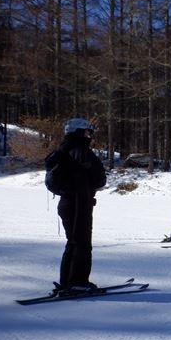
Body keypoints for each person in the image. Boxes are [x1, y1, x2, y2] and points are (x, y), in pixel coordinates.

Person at [55, 118, 107, 293]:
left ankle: (68, 282)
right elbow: (99, 178)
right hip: (78, 202)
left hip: (68, 201)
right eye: (87, 132)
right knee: (82, 243)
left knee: (74, 242)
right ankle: (77, 282)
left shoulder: (63, 149)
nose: (89, 135)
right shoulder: (81, 151)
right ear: (79, 132)